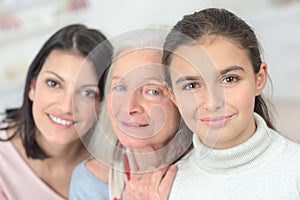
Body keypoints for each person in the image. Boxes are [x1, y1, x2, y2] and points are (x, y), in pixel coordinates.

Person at [161, 8, 300, 199]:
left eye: (229, 79)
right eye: (192, 85)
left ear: (259, 79)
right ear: (173, 96)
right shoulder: (164, 188)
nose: (213, 102)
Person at [69, 29, 192, 200]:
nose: (128, 106)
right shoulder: (92, 183)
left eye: (152, 91)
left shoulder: (216, 170)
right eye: (120, 87)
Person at [0, 24, 112, 199]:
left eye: (87, 93)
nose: (66, 107)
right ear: (32, 87)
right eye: (54, 84)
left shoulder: (114, 163)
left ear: (101, 103)